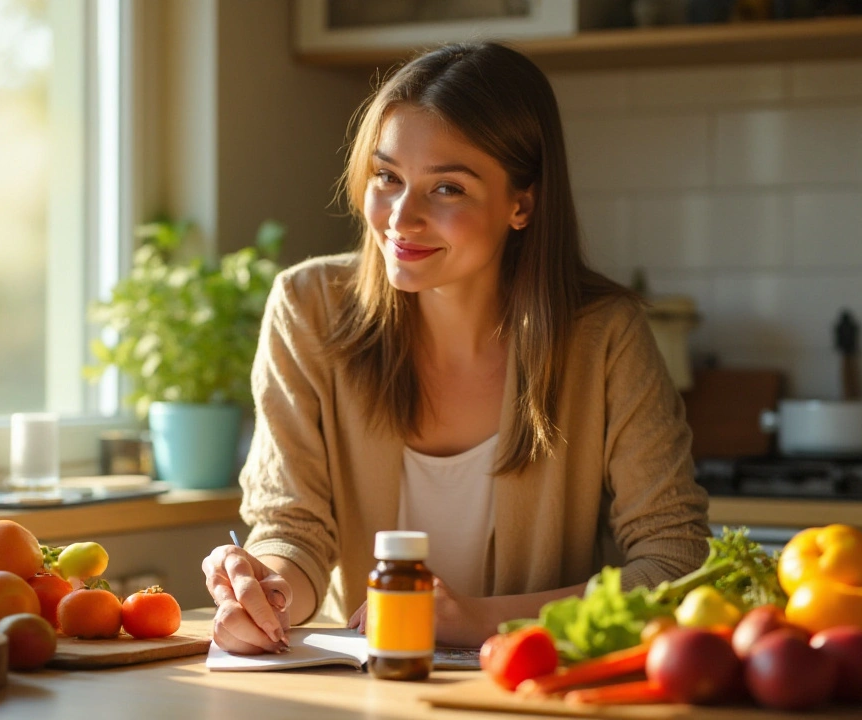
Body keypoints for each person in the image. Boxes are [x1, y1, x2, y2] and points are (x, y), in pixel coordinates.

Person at [202, 41, 710, 654]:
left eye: (447, 188)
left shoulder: (604, 336)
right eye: (387, 177)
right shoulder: (308, 307)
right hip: (368, 689)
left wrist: (482, 620)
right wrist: (266, 588)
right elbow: (294, 528)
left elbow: (674, 559)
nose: (401, 217)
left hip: (538, 689)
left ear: (521, 203)